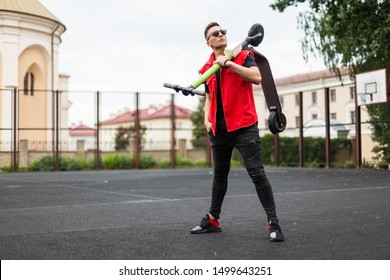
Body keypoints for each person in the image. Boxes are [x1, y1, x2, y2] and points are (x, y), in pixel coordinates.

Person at [190, 22, 284, 242]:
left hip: (244, 126)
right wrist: (206, 119)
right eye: (216, 33)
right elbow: (210, 96)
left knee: (257, 174)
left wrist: (229, 64)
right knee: (219, 175)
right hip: (219, 130)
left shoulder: (242, 55)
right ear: (208, 42)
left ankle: (274, 222)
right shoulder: (206, 68)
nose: (221, 34)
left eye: (223, 32)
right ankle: (213, 220)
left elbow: (256, 77)